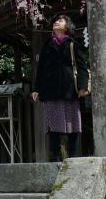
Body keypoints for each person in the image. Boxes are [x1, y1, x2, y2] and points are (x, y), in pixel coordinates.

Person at [31, 14, 89, 162]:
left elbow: (82, 66)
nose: (56, 22)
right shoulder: (47, 45)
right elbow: (41, 68)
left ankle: (73, 158)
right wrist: (36, 88)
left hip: (69, 90)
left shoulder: (73, 44)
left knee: (73, 125)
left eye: (60, 20)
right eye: (55, 20)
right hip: (50, 91)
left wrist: (83, 86)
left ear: (67, 26)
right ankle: (55, 158)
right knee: (53, 127)